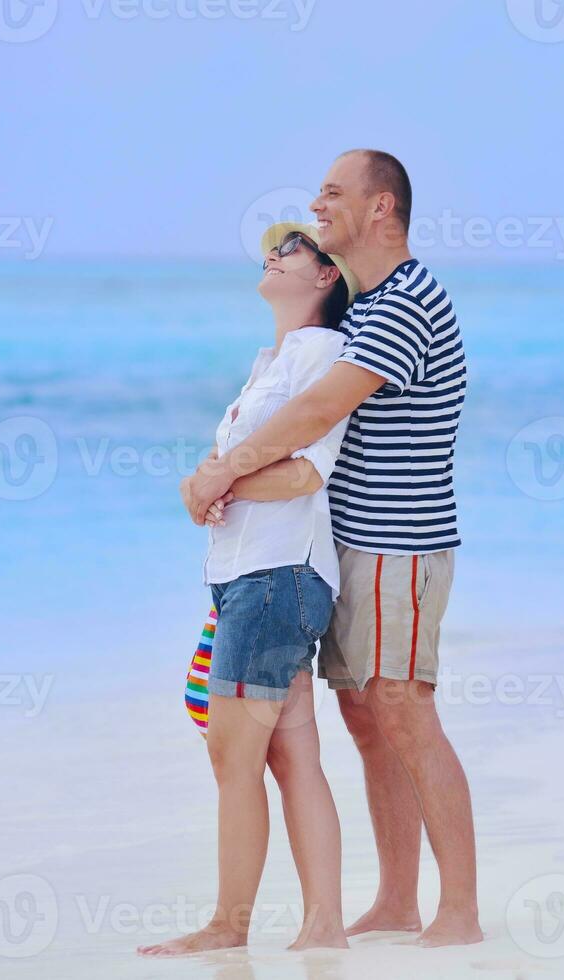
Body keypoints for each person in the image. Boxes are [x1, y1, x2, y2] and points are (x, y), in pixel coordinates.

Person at [182, 150, 481, 948]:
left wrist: (224, 471)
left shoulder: (403, 303)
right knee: (365, 717)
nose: (317, 204)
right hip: (350, 544)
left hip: (398, 544)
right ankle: (395, 900)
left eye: (333, 193)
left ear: (381, 208)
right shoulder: (369, 307)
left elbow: (319, 411)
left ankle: (459, 912)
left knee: (402, 710)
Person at [141, 224, 358, 957]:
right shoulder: (273, 361)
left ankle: (228, 928)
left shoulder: (324, 354)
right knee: (289, 756)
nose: (275, 252)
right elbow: (231, 466)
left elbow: (307, 471)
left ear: (327, 276)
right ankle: (321, 924)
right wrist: (201, 484)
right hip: (249, 577)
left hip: (275, 575)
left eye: (294, 246)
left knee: (235, 758)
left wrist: (219, 480)